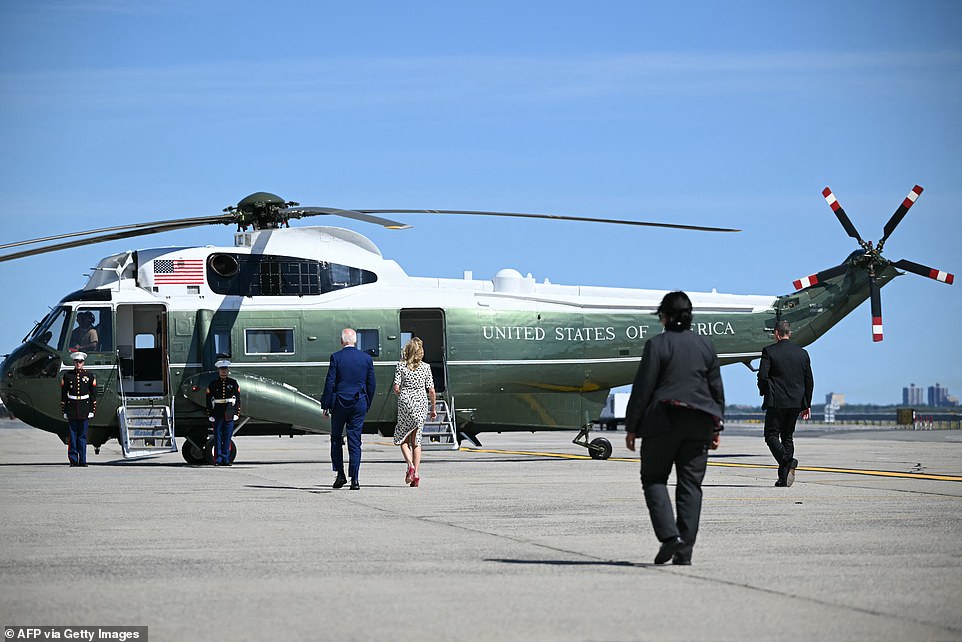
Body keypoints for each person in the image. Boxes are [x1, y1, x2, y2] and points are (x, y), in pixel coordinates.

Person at [625, 291, 724, 566]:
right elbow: (716, 389)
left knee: (654, 479)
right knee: (691, 486)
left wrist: (632, 427)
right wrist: (716, 428)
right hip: (701, 422)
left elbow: (643, 388)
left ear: (664, 317)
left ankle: (670, 538)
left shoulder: (657, 345)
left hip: (663, 422)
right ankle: (685, 550)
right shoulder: (706, 346)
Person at [757, 320, 814, 487]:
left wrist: (764, 391)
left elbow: (762, 376)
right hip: (796, 402)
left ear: (776, 333)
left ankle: (788, 461)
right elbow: (809, 381)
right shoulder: (802, 353)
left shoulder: (769, 351)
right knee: (787, 436)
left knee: (771, 435)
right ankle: (783, 478)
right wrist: (806, 404)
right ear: (790, 333)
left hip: (776, 401)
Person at [322, 328, 377, 490]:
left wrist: (325, 404)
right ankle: (355, 479)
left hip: (339, 404)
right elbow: (371, 384)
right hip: (359, 402)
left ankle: (340, 475)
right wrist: (367, 403)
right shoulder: (366, 359)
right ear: (355, 341)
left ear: (341, 341)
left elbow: (330, 383)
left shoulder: (336, 357)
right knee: (355, 441)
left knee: (336, 439)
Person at [392, 337, 437, 487]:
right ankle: (416, 473)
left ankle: (410, 464)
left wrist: (403, 396)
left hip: (406, 401)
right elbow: (431, 390)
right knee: (416, 440)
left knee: (403, 439)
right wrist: (433, 408)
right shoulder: (426, 367)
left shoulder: (401, 366)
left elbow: (396, 387)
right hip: (421, 403)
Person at [61, 351, 97, 467]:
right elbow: (63, 395)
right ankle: (73, 460)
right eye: (76, 362)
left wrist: (92, 410)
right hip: (72, 408)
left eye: (80, 362)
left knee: (82, 436)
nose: (78, 364)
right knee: (72, 436)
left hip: (84, 408)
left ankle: (83, 460)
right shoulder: (67, 376)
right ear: (74, 362)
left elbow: (93, 395)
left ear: (83, 363)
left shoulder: (90, 376)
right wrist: (64, 410)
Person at [206, 359, 241, 466]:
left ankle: (226, 458)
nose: (223, 371)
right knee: (218, 437)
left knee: (227, 437)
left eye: (225, 369)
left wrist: (236, 413)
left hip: (229, 413)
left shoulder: (233, 383)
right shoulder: (213, 384)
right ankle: (218, 459)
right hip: (217, 413)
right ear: (218, 370)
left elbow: (238, 400)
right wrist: (210, 414)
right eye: (222, 369)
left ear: (228, 370)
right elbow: (208, 400)